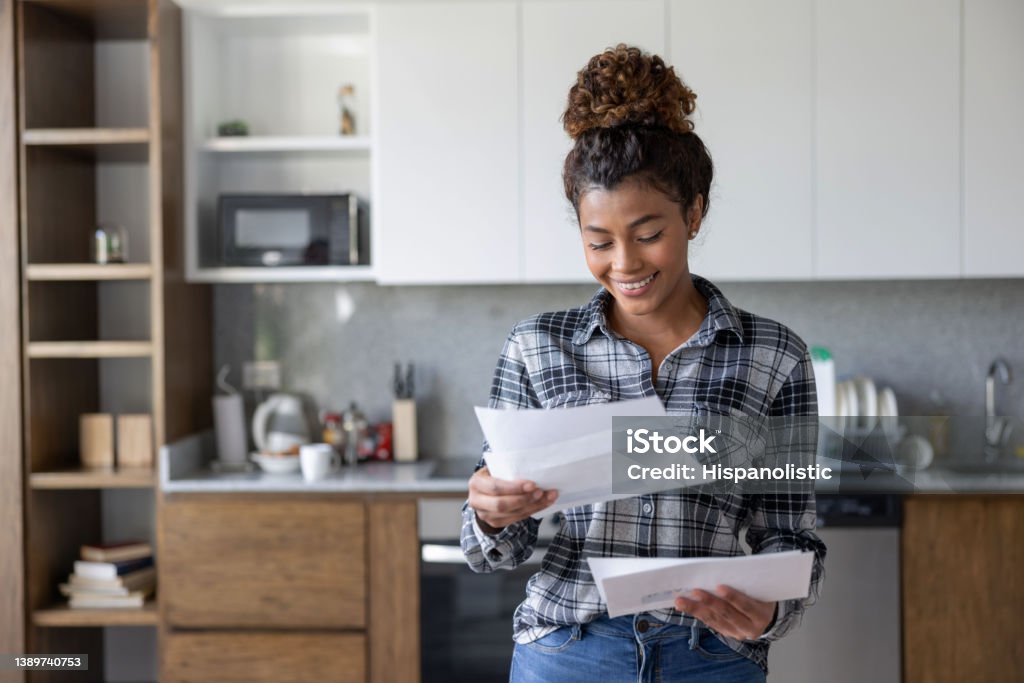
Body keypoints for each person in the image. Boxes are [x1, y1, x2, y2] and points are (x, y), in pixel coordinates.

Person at [461, 45, 826, 682]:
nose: (624, 263)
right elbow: (496, 550)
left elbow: (791, 535)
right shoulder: (537, 347)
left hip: (709, 657)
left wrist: (770, 616)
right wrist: (491, 513)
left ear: (694, 213)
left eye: (648, 233)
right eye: (598, 241)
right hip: (566, 652)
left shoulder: (774, 356)